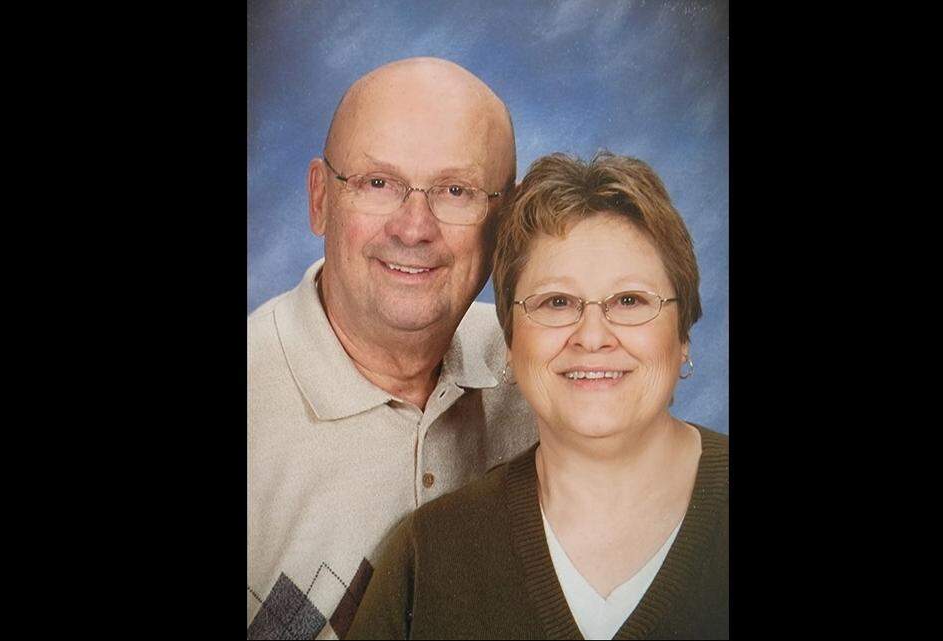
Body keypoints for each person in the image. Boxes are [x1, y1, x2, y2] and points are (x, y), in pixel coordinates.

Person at [348, 151, 728, 640]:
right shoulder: (432, 555)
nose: (592, 336)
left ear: (683, 337)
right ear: (510, 341)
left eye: (630, 301)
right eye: (556, 302)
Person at [247, 58, 538, 639]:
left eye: (456, 190)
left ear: (505, 221)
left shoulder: (542, 377)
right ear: (319, 199)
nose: (414, 227)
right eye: (378, 183)